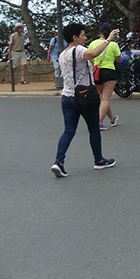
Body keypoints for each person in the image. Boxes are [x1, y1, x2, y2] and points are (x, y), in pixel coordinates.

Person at [51, 23, 119, 178]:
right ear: (75, 37)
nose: (85, 38)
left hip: (67, 97)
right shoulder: (78, 50)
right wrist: (108, 40)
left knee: (69, 131)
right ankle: (99, 160)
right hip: (84, 96)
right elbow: (94, 53)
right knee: (94, 129)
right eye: (83, 35)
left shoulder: (63, 54)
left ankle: (59, 161)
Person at [89, 23, 123, 131]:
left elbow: (90, 58)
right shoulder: (113, 45)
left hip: (97, 72)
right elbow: (119, 59)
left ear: (100, 32)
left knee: (102, 98)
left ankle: (112, 118)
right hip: (109, 71)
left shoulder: (93, 43)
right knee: (106, 99)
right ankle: (99, 122)